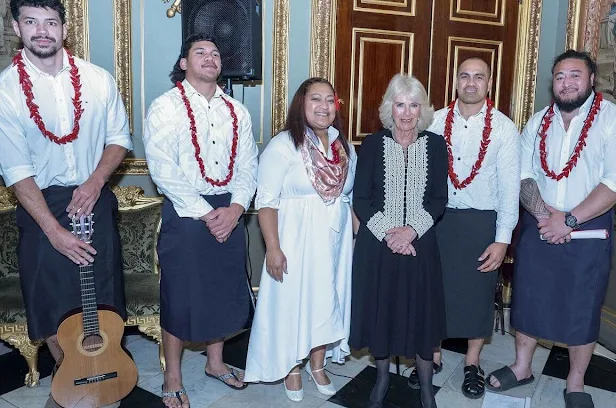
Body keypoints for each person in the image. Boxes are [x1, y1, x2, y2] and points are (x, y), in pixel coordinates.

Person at [486, 50, 616, 408]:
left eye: (575, 75)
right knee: (527, 299)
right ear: (551, 83)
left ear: (590, 80)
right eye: (559, 76)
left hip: (588, 229)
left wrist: (570, 220)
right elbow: (523, 174)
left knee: (581, 307)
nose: (567, 82)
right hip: (539, 223)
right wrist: (545, 216)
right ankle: (522, 366)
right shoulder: (538, 121)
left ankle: (575, 381)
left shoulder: (615, 122)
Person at [0, 1, 131, 406]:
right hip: (41, 203)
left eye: (51, 22)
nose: (42, 31)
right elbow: (16, 169)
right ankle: (70, 373)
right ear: (17, 28)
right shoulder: (5, 90)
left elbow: (119, 138)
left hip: (94, 196)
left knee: (103, 295)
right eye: (32, 22)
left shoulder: (97, 79)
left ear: (64, 28)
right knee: (52, 297)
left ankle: (101, 373)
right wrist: (53, 231)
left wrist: (95, 183)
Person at [143, 33, 258, 408]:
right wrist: (208, 213)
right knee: (180, 295)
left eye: (215, 54)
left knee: (223, 292)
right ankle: (172, 376)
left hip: (230, 210)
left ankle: (215, 362)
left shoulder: (237, 111)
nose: (210, 58)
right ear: (183, 62)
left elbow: (248, 166)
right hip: (185, 211)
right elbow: (163, 170)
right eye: (199, 52)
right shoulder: (165, 107)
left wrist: (237, 208)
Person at [405, 57, 521, 399]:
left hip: (480, 222)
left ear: (489, 84)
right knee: (432, 291)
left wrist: (502, 240)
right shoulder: (435, 122)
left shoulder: (503, 128)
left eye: (479, 77)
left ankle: (472, 363)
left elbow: (509, 191)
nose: (471, 82)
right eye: (464, 76)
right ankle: (434, 357)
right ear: (456, 81)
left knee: (476, 295)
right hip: (437, 221)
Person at [243, 78, 357, 402]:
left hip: (335, 241)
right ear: (300, 105)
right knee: (294, 301)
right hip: (294, 238)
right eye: (315, 100)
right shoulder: (283, 145)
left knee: (327, 298)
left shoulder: (341, 146)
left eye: (329, 100)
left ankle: (317, 364)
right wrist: (274, 248)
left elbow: (348, 198)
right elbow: (265, 201)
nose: (324, 106)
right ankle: (292, 366)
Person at [350, 73, 448, 408]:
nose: (406, 112)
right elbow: (360, 200)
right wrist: (391, 235)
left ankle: (425, 386)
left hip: (420, 245)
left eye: (413, 105)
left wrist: (410, 232)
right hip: (378, 247)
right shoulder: (372, 145)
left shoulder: (435, 145)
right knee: (382, 312)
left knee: (421, 315)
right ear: (389, 107)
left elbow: (438, 200)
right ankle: (380, 379)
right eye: (400, 104)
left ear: (423, 109)